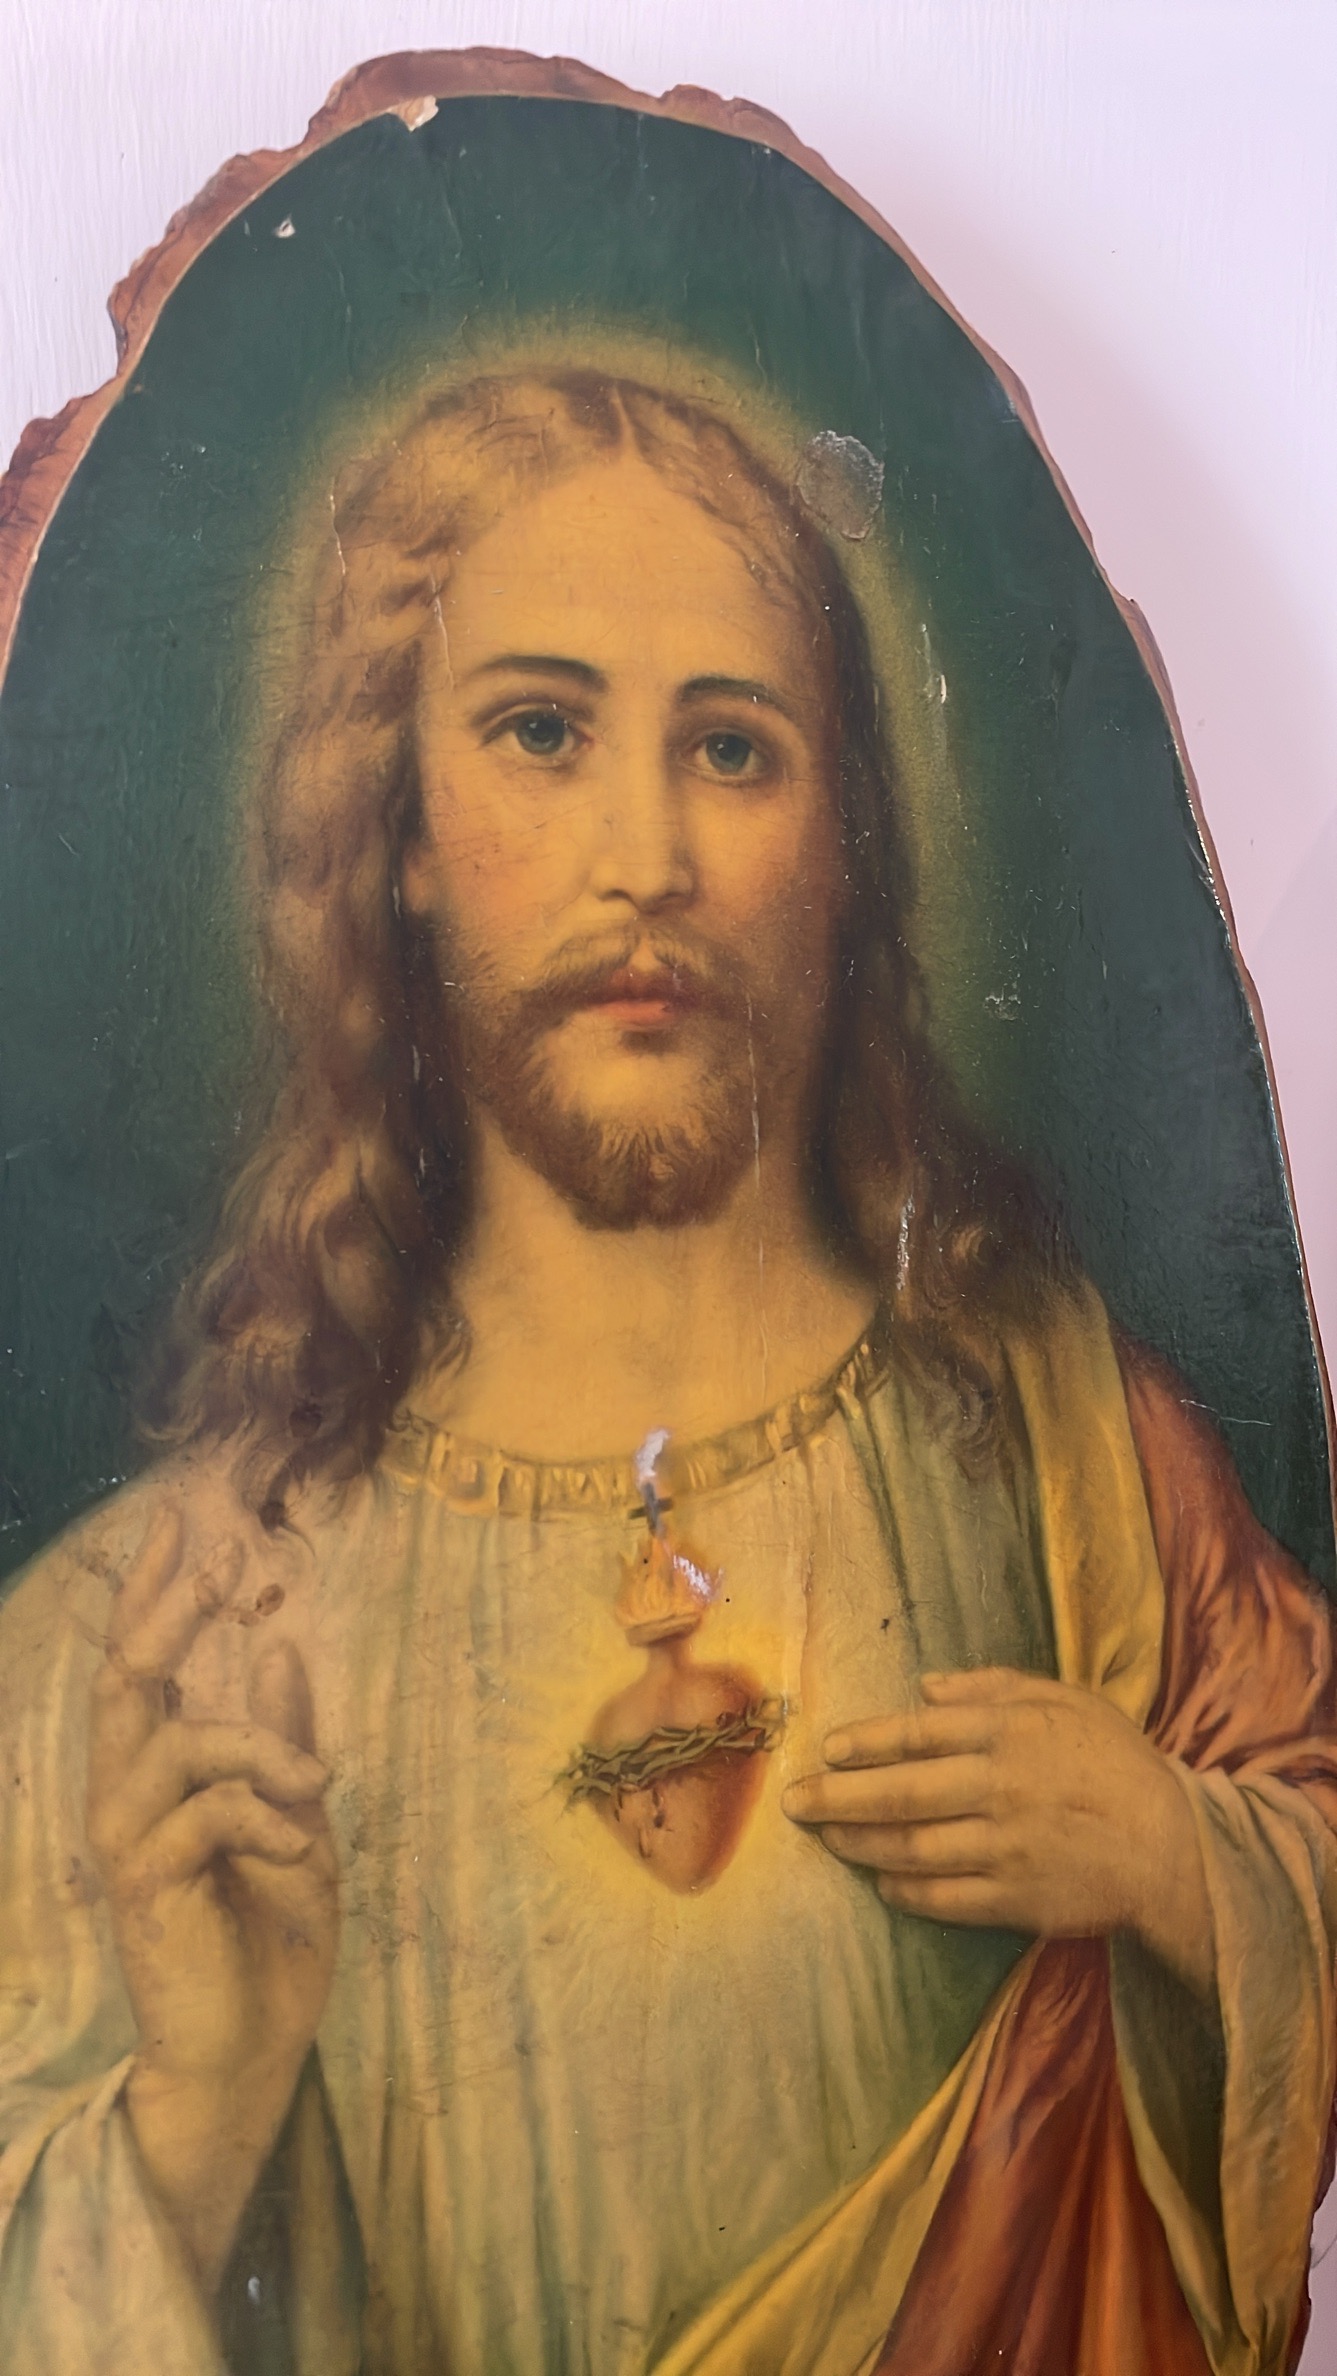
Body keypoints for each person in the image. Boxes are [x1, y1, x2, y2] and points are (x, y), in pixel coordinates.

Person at [0, 369, 1334, 2376]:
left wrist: (1175, 1862)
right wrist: (191, 2118)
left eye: (731, 748)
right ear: (400, 831)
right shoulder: (143, 1659)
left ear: (838, 848)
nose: (649, 857)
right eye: (540, 731)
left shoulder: (1078, 1468)